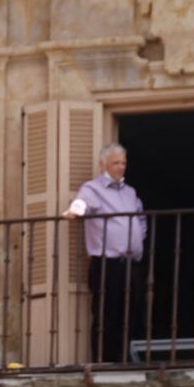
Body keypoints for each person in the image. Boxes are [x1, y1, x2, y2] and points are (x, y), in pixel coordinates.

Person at [63, 142, 147, 364]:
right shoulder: (93, 189)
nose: (121, 167)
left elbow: (140, 218)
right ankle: (104, 361)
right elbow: (82, 203)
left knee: (129, 315)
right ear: (103, 165)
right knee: (106, 315)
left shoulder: (131, 192)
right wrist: (74, 210)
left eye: (123, 163)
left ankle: (124, 360)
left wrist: (138, 235)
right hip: (106, 263)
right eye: (116, 163)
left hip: (131, 263)